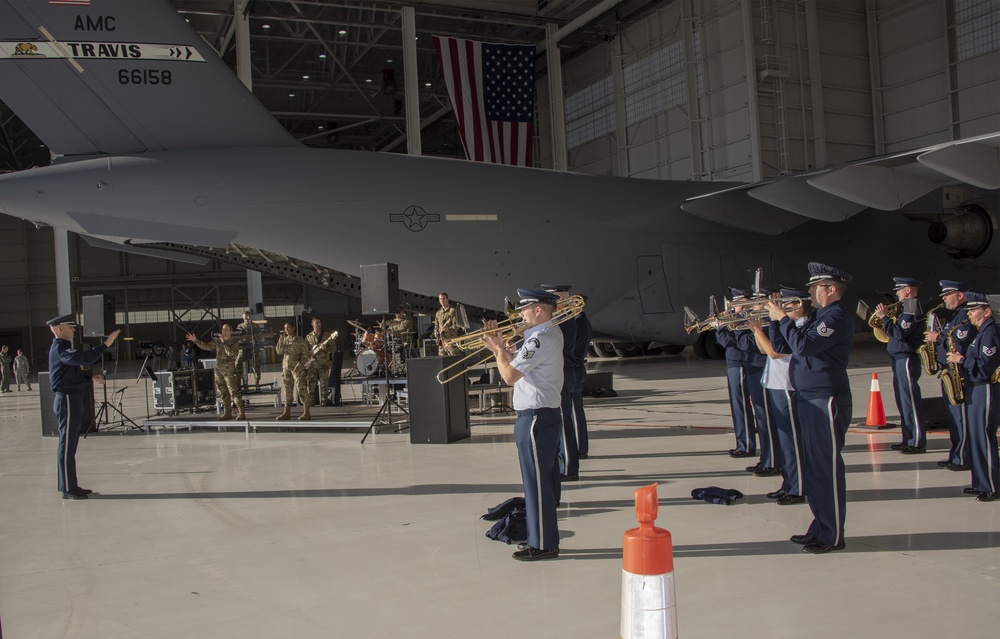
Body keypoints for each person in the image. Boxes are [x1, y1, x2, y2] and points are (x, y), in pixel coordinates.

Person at [768, 262, 854, 554]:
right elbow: (784, 344)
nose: (810, 292)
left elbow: (803, 347)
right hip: (807, 396)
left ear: (831, 289)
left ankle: (833, 534)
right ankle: (820, 527)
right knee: (815, 467)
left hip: (825, 397)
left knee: (826, 467)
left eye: (815, 287)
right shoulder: (821, 316)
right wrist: (774, 318)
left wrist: (784, 319)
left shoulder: (836, 317)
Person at [481, 289, 564, 561]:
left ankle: (543, 544)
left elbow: (508, 375)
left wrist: (496, 351)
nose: (519, 315)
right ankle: (542, 539)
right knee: (539, 483)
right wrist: (502, 346)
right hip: (540, 416)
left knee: (536, 485)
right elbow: (519, 363)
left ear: (538, 310)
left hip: (535, 418)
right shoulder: (543, 336)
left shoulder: (540, 339)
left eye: (524, 309)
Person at [747, 288, 811, 506]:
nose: (782, 308)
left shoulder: (800, 326)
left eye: (787, 305)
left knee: (792, 441)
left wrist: (759, 328)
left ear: (798, 306)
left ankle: (798, 486)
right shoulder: (788, 326)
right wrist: (757, 330)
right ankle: (789, 483)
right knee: (785, 442)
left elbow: (775, 352)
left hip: (787, 386)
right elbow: (764, 350)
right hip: (776, 385)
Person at [47, 313, 121, 499]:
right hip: (68, 400)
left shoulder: (63, 348)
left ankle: (71, 485)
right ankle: (67, 489)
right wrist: (105, 344)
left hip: (72, 398)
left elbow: (70, 373)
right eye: (70, 327)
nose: (73, 329)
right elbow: (83, 359)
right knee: (67, 444)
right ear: (59, 329)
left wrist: (90, 378)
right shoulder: (60, 348)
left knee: (71, 443)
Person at [947, 292, 999, 502]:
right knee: (976, 438)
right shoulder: (980, 333)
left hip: (984, 389)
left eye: (973, 310)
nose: (969, 314)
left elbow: (984, 368)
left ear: (986, 311)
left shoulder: (990, 334)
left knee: (984, 437)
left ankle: (992, 486)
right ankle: (980, 482)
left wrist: (962, 360)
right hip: (974, 389)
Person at [925, 280, 977, 471]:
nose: (944, 298)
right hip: (949, 372)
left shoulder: (964, 316)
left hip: (958, 374)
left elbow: (960, 344)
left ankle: (963, 457)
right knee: (954, 419)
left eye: (948, 295)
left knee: (960, 417)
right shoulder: (954, 315)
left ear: (960, 295)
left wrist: (937, 338)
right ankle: (956, 454)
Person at [877, 277, 926, 453]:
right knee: (902, 401)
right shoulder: (905, 307)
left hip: (906, 358)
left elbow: (900, 333)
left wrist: (884, 318)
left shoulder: (912, 306)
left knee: (909, 400)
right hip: (898, 358)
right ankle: (908, 438)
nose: (896, 293)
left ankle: (917, 441)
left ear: (907, 290)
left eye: (899, 289)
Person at [541, 284, 579, 482]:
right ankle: (564, 463)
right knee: (563, 420)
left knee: (563, 422)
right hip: (563, 372)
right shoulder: (562, 319)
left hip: (563, 373)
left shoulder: (563, 320)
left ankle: (569, 467)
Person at [736, 288, 777, 476]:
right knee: (762, 419)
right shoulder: (755, 318)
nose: (754, 304)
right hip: (753, 369)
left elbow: (747, 344)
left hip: (761, 370)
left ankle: (773, 460)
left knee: (767, 419)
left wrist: (749, 325)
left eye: (758, 300)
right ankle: (767, 458)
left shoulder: (767, 320)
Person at [715, 288, 756, 458]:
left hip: (741, 363)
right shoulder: (735, 319)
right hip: (733, 363)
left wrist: (730, 325)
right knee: (737, 407)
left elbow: (736, 342)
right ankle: (742, 442)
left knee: (742, 407)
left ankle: (746, 445)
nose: (734, 307)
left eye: (738, 303)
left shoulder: (747, 320)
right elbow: (723, 340)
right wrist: (719, 326)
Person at [185, 325, 246, 421]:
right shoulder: (217, 342)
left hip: (229, 371)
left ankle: (241, 412)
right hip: (219, 371)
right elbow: (206, 346)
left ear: (231, 331)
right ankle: (227, 412)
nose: (224, 331)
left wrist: (223, 342)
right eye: (223, 330)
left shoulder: (234, 342)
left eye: (226, 330)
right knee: (223, 392)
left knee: (234, 392)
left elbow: (231, 353)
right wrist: (195, 340)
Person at [275, 322, 311, 420]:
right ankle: (287, 412)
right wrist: (280, 341)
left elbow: (306, 355)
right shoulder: (284, 340)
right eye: (285, 328)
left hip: (297, 368)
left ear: (293, 328)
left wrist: (300, 364)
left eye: (288, 328)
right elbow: (279, 351)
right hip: (286, 368)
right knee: (287, 390)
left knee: (301, 389)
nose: (287, 330)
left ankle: (306, 412)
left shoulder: (300, 340)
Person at [306, 317, 336, 407]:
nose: (318, 324)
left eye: (319, 323)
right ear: (312, 324)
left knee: (324, 386)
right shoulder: (308, 336)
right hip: (312, 364)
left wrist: (326, 349)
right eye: (316, 323)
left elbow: (333, 348)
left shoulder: (327, 335)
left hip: (323, 364)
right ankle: (310, 406)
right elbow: (305, 350)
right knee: (310, 385)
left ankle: (324, 405)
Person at [236, 310, 263, 387]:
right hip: (243, 349)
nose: (247, 320)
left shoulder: (255, 326)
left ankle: (257, 383)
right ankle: (239, 384)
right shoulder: (240, 326)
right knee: (238, 365)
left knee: (256, 366)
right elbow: (237, 337)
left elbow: (259, 336)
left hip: (253, 349)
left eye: (248, 318)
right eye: (245, 318)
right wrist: (244, 339)